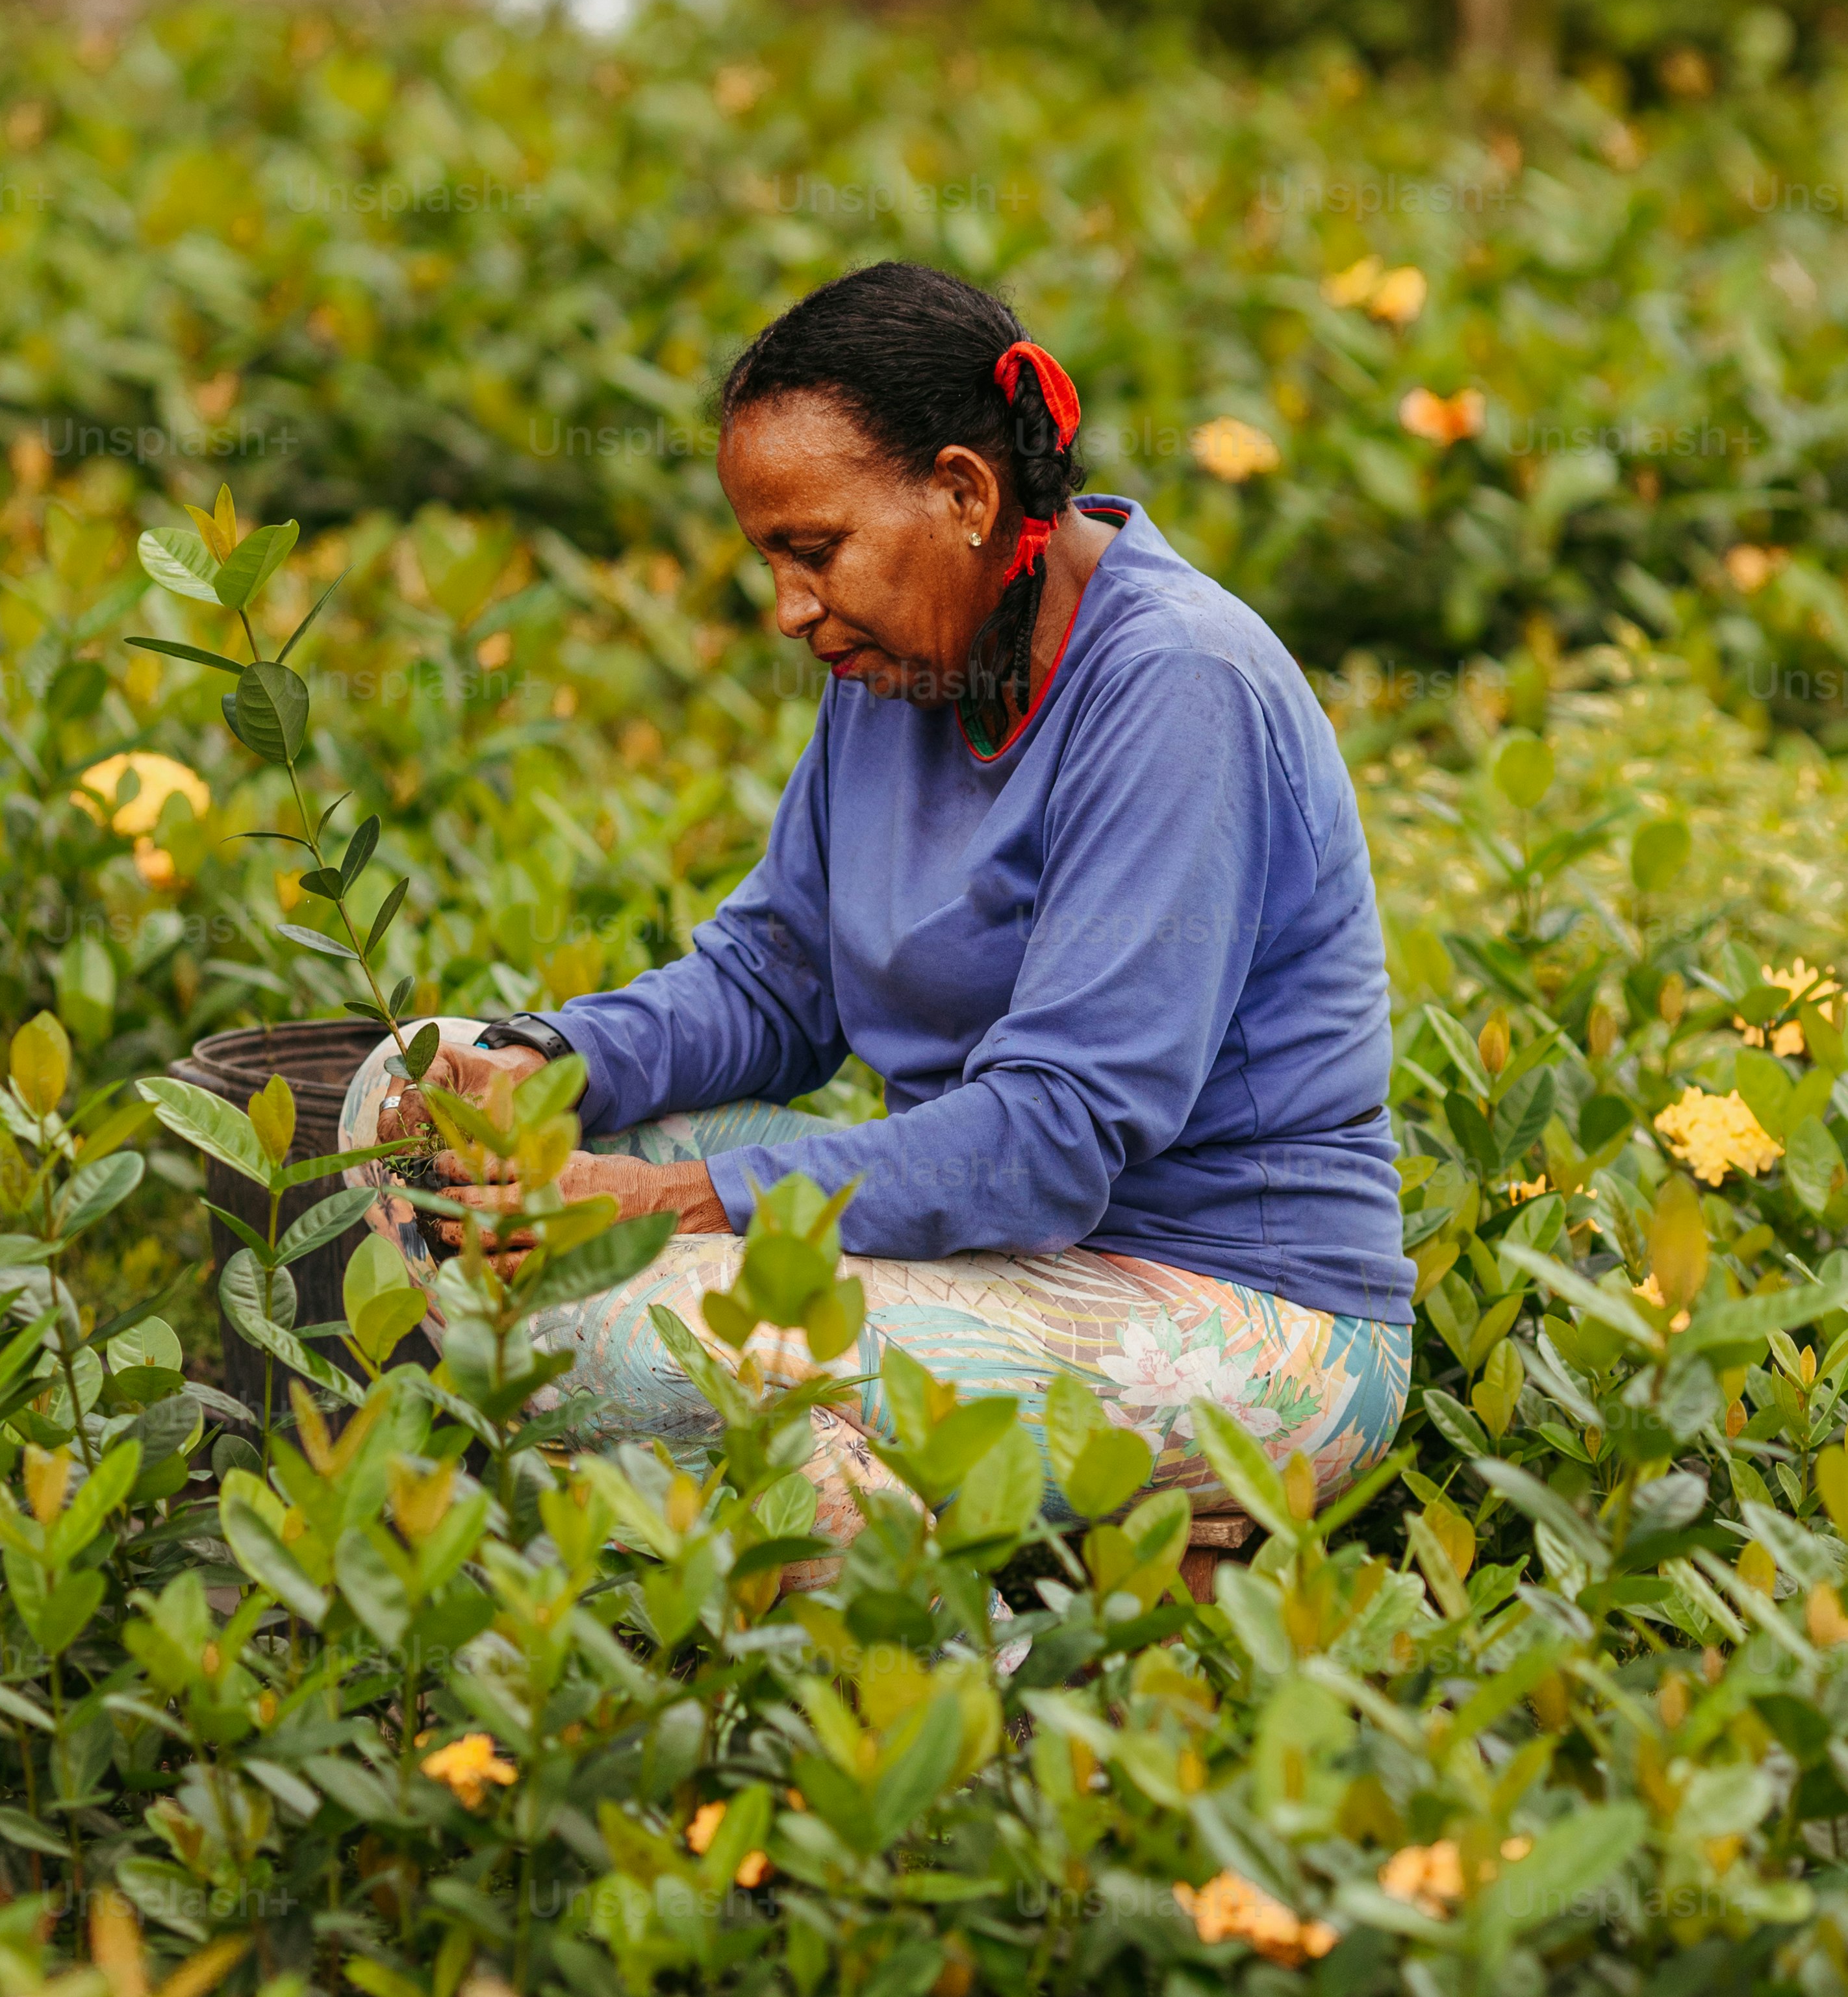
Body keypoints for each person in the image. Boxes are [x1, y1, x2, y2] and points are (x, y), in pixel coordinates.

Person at [345, 261, 1409, 1543]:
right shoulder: (901, 667)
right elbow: (775, 982)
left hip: (1231, 1305)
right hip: (985, 1245)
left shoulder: (1175, 683)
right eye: (771, 564)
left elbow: (1052, 1134)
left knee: (658, 1336)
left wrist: (667, 1205)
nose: (791, 611)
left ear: (964, 491)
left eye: (815, 552)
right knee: (403, 1106)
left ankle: (959, 1716)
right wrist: (547, 1063)